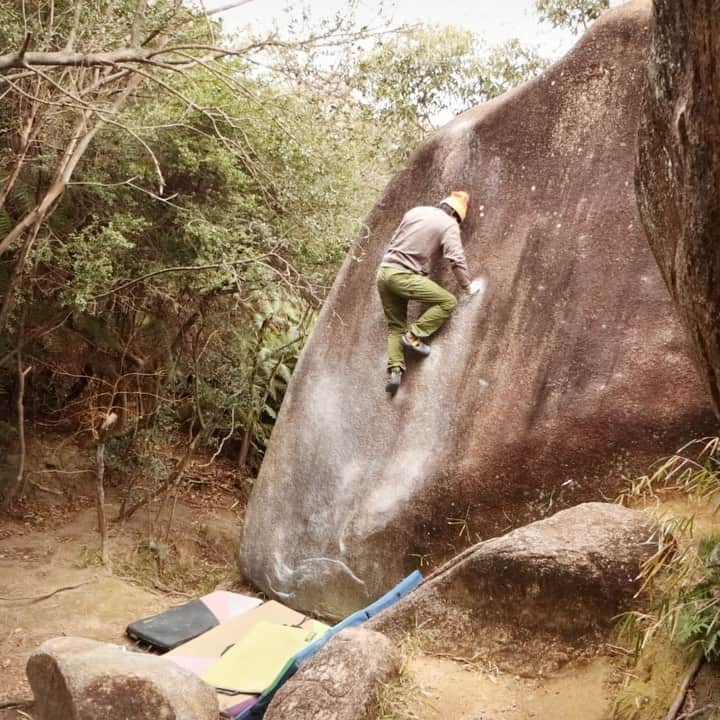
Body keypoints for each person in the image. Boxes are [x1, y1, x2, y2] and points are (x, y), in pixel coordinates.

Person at [376, 190, 483, 395]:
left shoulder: (415, 212)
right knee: (448, 301)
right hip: (403, 276)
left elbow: (398, 241)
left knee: (395, 326)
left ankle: (395, 372)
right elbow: (456, 259)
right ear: (456, 216)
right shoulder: (449, 224)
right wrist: (467, 287)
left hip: (384, 273)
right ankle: (414, 336)